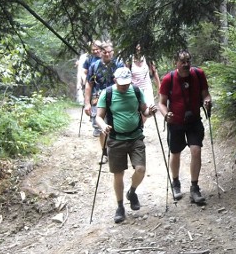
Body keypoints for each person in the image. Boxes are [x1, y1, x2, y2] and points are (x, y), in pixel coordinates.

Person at [96, 67, 157, 223]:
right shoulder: (107, 94)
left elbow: (145, 113)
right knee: (118, 174)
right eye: (122, 84)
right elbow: (99, 117)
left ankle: (132, 192)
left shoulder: (136, 91)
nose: (124, 86)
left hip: (136, 137)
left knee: (141, 169)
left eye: (127, 83)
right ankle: (120, 206)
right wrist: (103, 126)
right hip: (116, 139)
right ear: (115, 80)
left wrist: (150, 112)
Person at [157, 50, 212, 205]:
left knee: (196, 150)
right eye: (183, 61)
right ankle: (175, 183)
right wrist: (166, 114)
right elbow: (161, 102)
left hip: (194, 120)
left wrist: (207, 101)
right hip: (175, 122)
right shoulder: (169, 79)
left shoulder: (199, 75)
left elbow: (206, 95)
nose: (186, 64)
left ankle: (194, 188)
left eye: (188, 61)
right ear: (176, 63)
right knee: (175, 153)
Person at [84, 41, 123, 161]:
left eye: (109, 52)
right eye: (104, 52)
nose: (107, 54)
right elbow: (89, 84)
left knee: (117, 125)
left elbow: (126, 83)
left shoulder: (119, 65)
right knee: (101, 125)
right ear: (101, 53)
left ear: (113, 52)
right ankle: (104, 153)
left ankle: (117, 150)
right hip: (99, 99)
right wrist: (87, 103)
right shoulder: (94, 66)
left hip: (116, 98)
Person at [130, 43, 160, 109]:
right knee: (138, 111)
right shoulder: (129, 60)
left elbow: (154, 72)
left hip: (147, 88)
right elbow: (127, 75)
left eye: (140, 47)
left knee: (150, 109)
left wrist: (159, 87)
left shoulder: (147, 58)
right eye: (137, 48)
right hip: (135, 90)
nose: (139, 49)